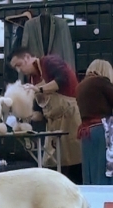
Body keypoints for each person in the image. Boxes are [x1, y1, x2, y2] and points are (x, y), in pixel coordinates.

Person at [9, 47, 82, 184]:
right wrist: (22, 117)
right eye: (15, 68)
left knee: (74, 164)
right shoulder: (32, 79)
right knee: (51, 164)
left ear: (26, 57)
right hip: (53, 126)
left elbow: (62, 79)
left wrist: (39, 89)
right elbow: (40, 114)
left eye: (19, 65)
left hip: (70, 119)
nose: (19, 70)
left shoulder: (49, 62)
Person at [76, 59, 113, 185]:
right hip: (103, 131)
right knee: (104, 170)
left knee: (90, 170)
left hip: (87, 132)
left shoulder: (81, 86)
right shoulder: (101, 82)